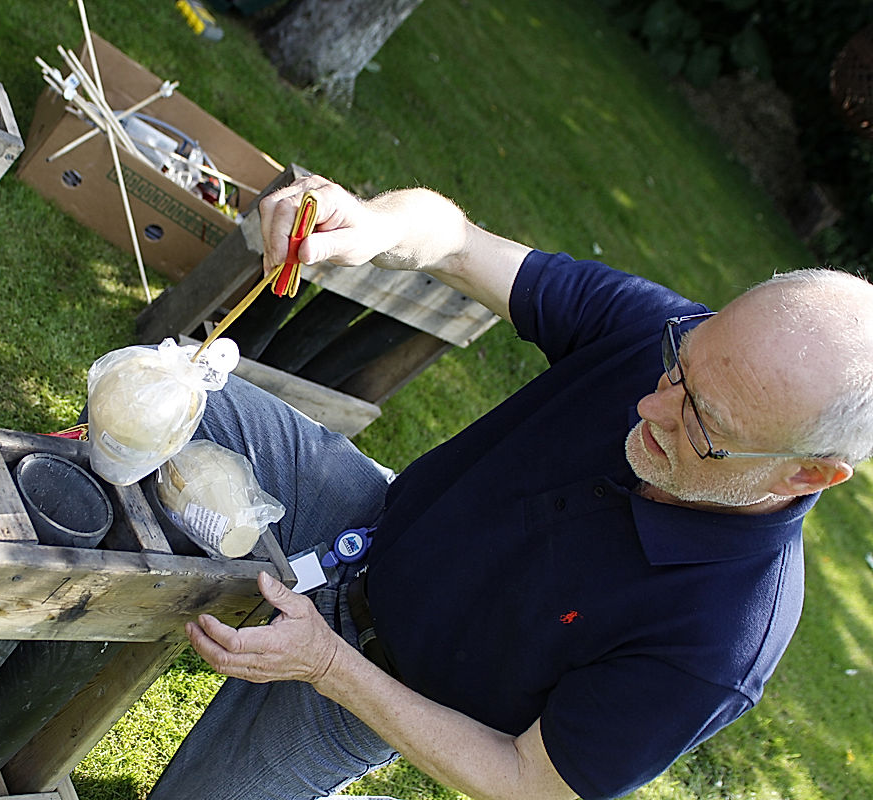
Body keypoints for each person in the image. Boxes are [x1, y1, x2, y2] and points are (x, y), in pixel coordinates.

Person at [144, 174, 873, 800]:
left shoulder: (722, 640)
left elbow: (529, 782)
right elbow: (455, 241)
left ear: (806, 473)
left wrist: (328, 666)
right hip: (365, 522)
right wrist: (371, 223)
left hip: (379, 688)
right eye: (678, 365)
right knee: (158, 389)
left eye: (703, 422)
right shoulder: (662, 328)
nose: (654, 405)